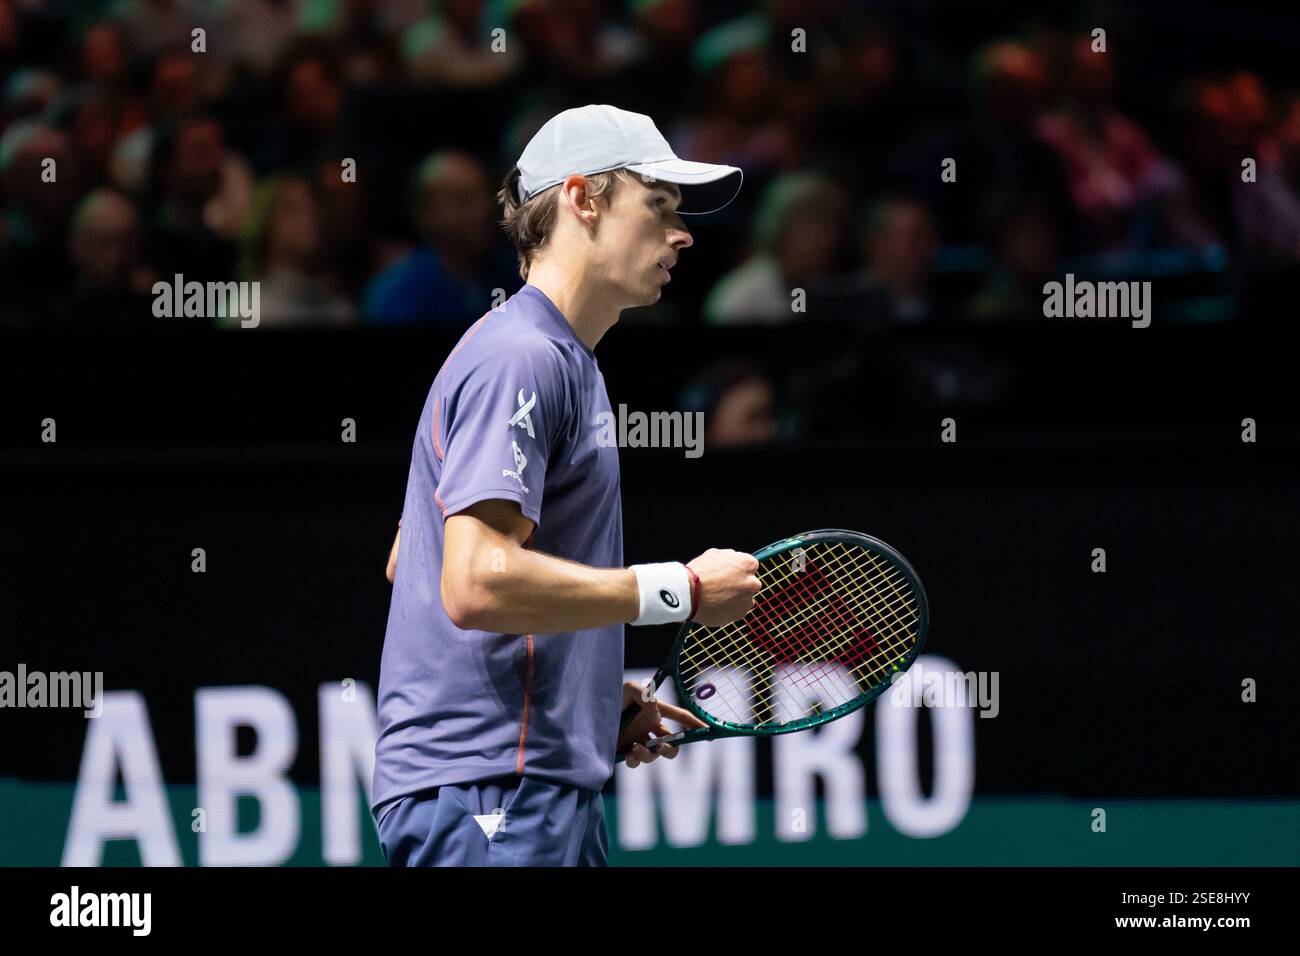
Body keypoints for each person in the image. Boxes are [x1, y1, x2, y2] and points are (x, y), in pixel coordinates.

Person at [371, 104, 761, 866]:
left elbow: (408, 560)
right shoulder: (521, 356)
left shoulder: (560, 361)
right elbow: (473, 583)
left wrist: (579, 693)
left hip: (527, 777)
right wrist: (676, 590)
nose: (681, 234)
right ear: (582, 199)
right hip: (490, 788)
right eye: (658, 207)